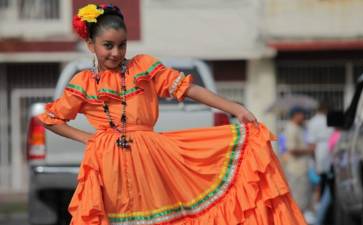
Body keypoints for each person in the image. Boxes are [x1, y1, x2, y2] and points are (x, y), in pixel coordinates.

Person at [36, 4, 307, 225]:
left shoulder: (143, 67)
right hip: (106, 163)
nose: (116, 52)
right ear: (90, 44)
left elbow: (189, 89)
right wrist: (88, 139)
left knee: (159, 218)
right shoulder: (83, 82)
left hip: (152, 159)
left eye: (122, 45)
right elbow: (50, 118)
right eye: (108, 45)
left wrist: (235, 108)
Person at [283, 107, 314, 215]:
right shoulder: (291, 128)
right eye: (301, 114)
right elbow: (291, 149)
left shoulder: (300, 127)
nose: (303, 117)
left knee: (304, 199)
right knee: (297, 200)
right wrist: (308, 150)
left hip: (302, 168)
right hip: (295, 170)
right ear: (295, 115)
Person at [307, 102, 334, 225]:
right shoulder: (329, 119)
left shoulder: (312, 122)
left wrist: (313, 159)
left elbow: (311, 144)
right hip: (331, 150)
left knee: (321, 185)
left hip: (320, 152)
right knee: (326, 185)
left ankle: (320, 216)